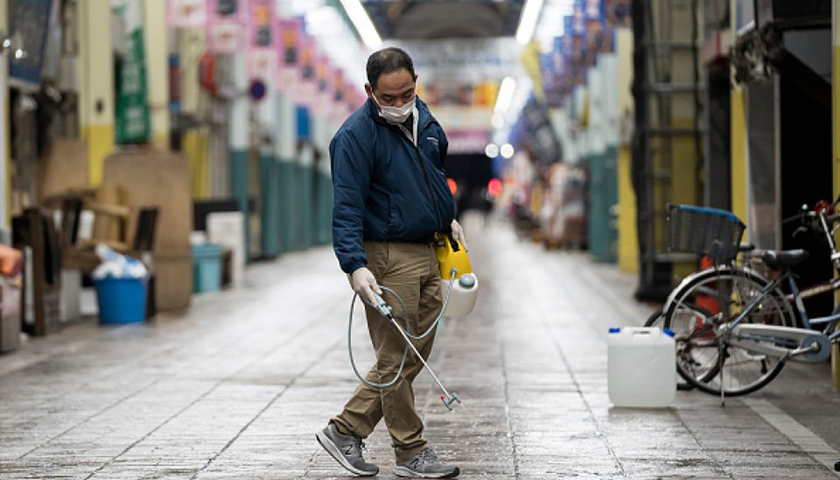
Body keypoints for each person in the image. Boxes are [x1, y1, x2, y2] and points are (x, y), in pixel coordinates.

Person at [316, 47, 465, 479]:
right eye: (389, 98)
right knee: (396, 356)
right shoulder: (355, 137)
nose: (399, 105)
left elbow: (431, 177)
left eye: (407, 94)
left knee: (411, 352)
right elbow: (346, 207)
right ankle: (410, 451)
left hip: (427, 249)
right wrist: (354, 265)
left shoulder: (426, 121)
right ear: (369, 91)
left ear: (416, 82)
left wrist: (447, 217)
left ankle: (346, 429)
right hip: (386, 253)